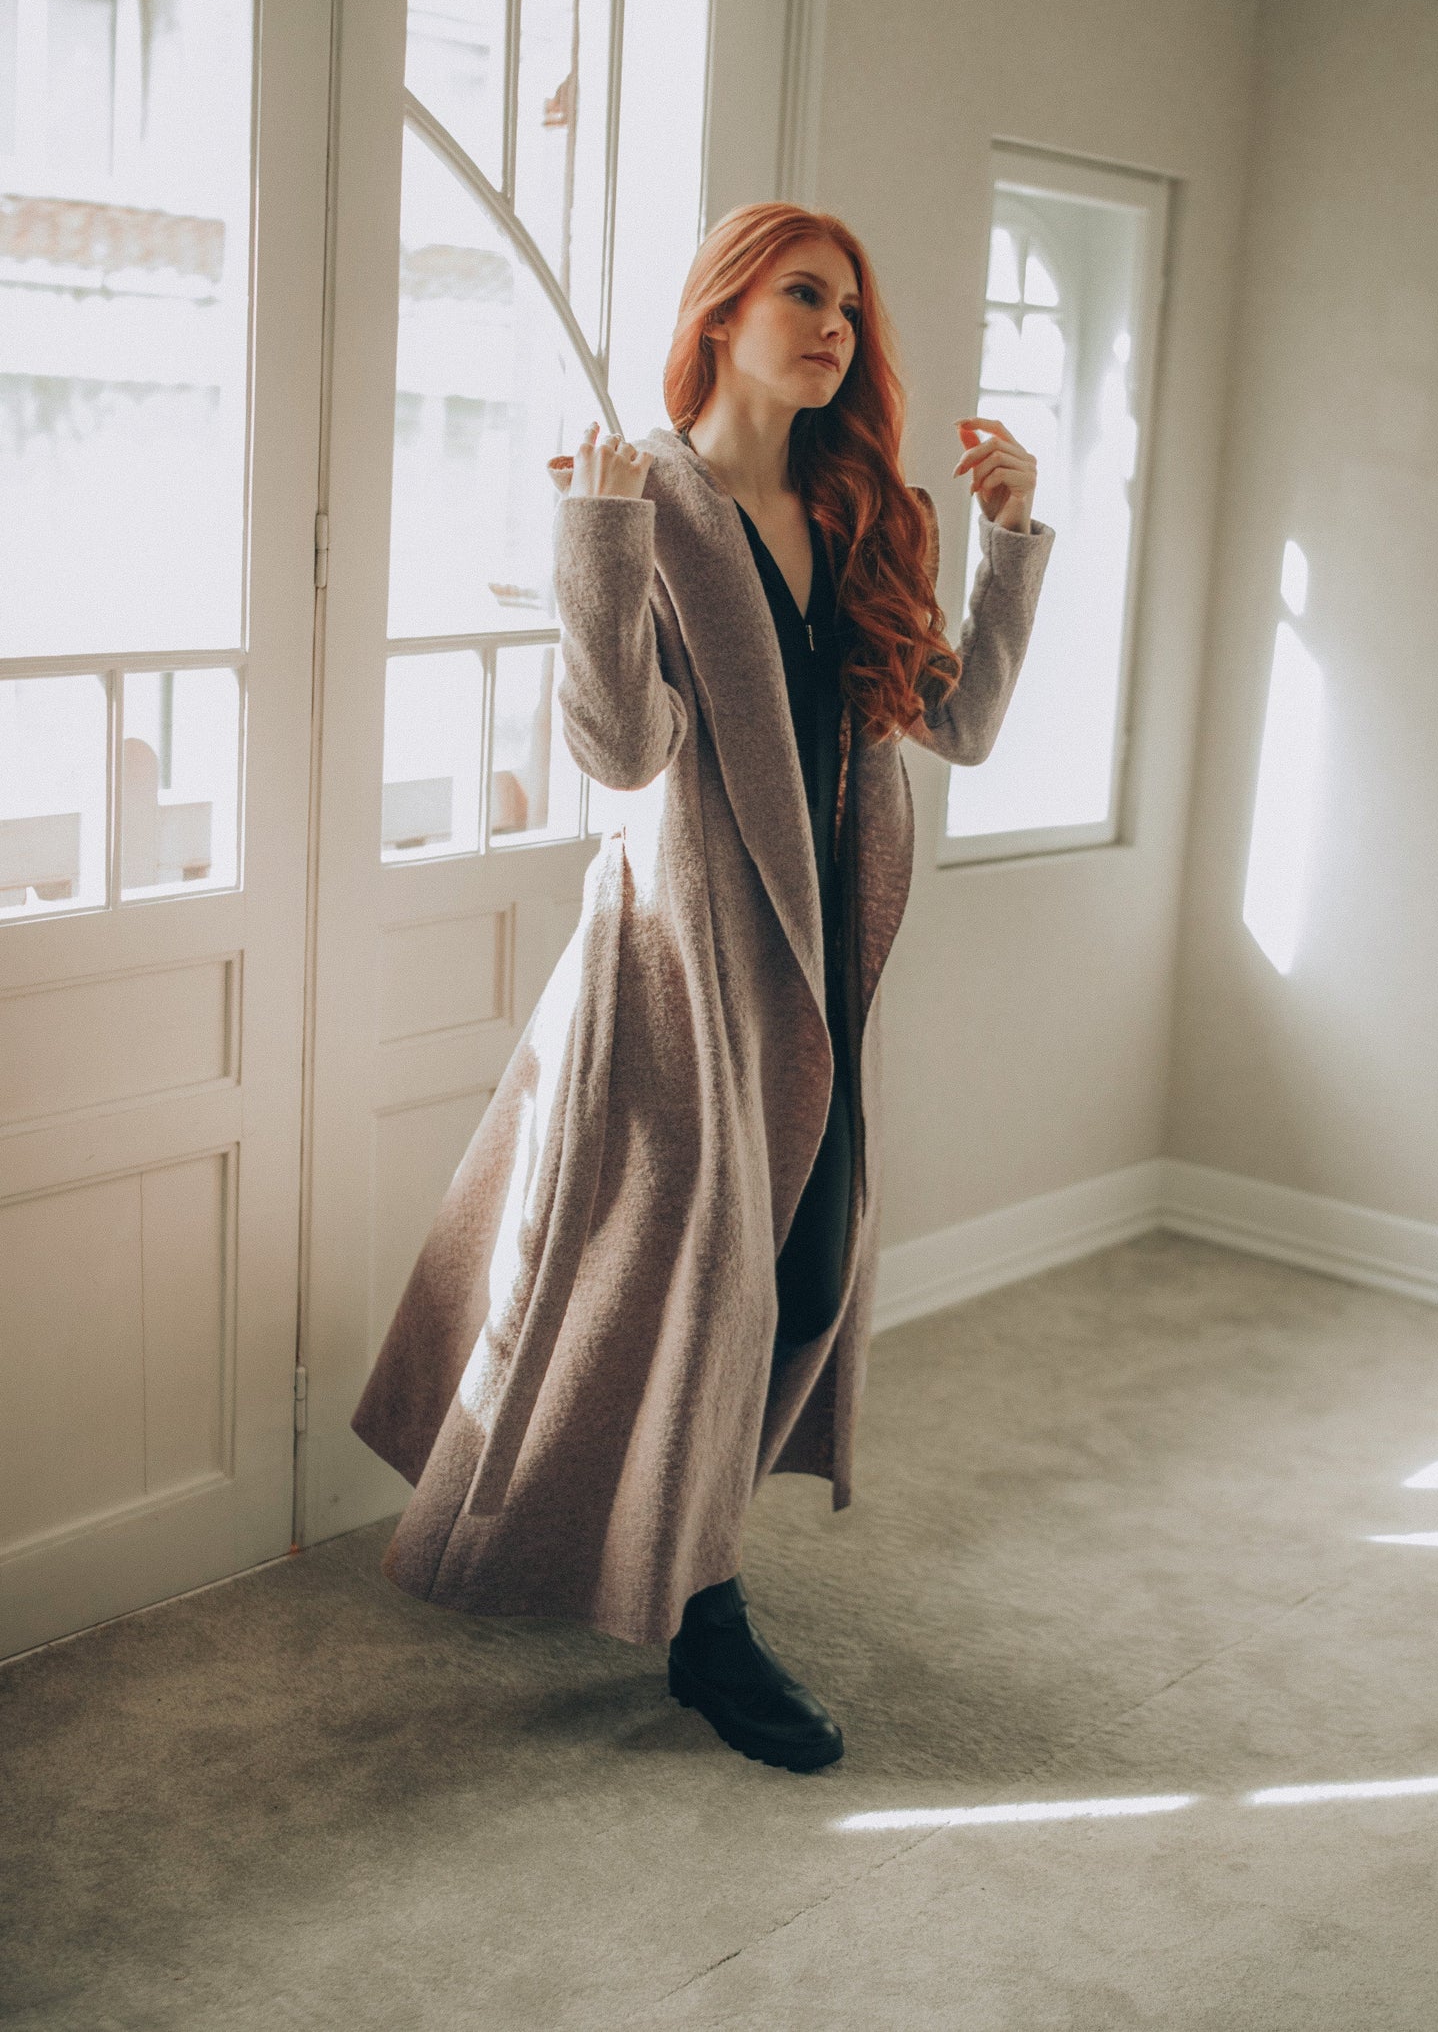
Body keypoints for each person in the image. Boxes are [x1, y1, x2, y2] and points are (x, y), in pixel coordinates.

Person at [351, 201, 1055, 1774]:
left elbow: (964, 727)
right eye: (803, 296)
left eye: (849, 310)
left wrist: (1008, 542)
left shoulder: (857, 512)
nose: (835, 329)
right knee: (696, 1292)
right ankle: (706, 1621)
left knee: (801, 1285)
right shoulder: (650, 498)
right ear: (721, 312)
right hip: (683, 971)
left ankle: (674, 1565)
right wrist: (591, 549)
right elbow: (620, 753)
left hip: (821, 975)